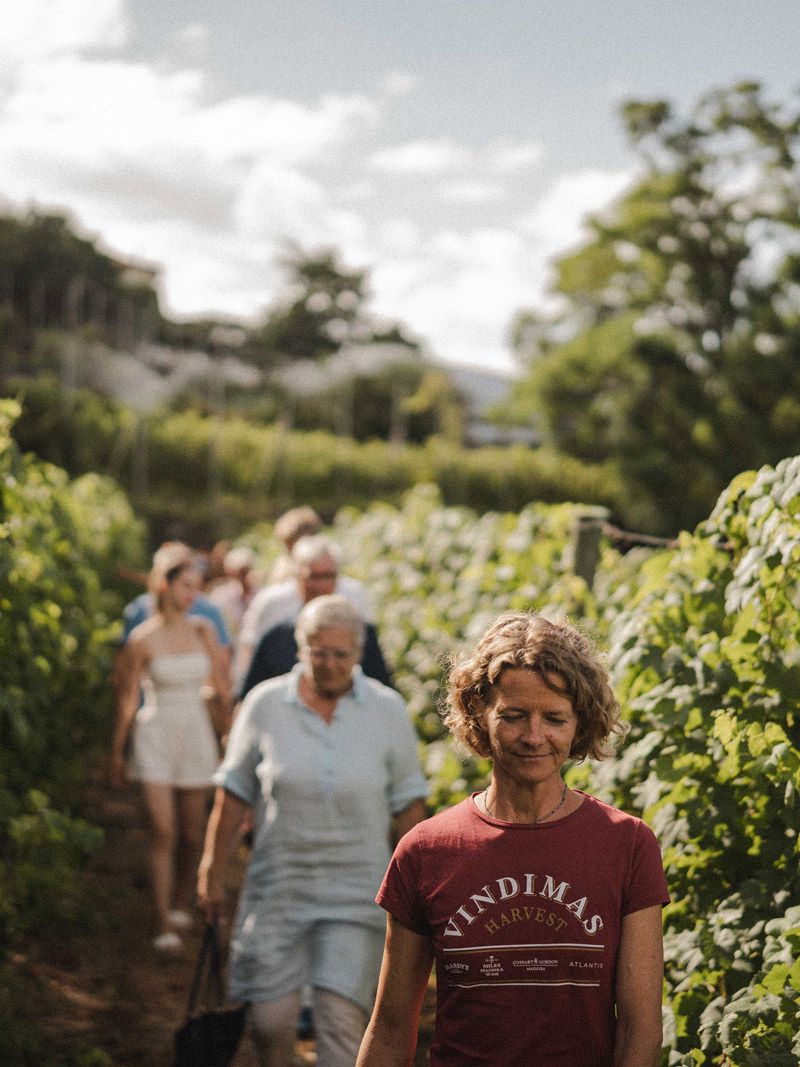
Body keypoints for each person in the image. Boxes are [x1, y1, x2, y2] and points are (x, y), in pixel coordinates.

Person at [358, 613, 669, 1067]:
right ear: (478, 716)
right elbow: (389, 1028)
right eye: (514, 716)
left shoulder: (627, 844)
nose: (534, 736)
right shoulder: (426, 851)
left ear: (580, 724)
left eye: (555, 718)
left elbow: (641, 1029)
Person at [198, 595, 428, 1067]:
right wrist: (211, 873)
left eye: (341, 654)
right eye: (318, 653)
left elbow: (409, 804)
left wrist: (424, 889)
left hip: (357, 889)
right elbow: (233, 791)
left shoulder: (387, 711)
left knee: (340, 1020)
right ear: (300, 649)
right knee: (268, 1023)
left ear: (359, 653)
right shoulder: (265, 705)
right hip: (278, 886)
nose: (329, 664)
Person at [110, 544, 233, 953]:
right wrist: (116, 751)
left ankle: (181, 900)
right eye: (185, 585)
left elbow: (221, 688)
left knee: (193, 832)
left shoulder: (203, 631)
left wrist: (229, 732)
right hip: (155, 734)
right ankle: (163, 920)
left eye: (197, 587)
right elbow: (128, 699)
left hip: (195, 731)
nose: (192, 594)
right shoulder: (142, 639)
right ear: (164, 585)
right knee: (163, 830)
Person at [234, 534, 374, 688]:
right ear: (297, 575)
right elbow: (249, 651)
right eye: (314, 577)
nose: (321, 585)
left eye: (328, 576)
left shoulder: (355, 596)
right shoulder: (272, 603)